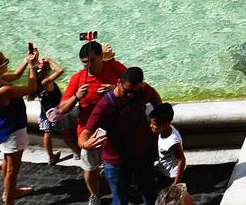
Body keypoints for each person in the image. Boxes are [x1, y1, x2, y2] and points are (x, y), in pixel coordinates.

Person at [60, 40, 130, 205]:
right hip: (89, 132)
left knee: (120, 163)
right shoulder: (77, 78)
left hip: (115, 128)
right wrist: (76, 96)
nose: (89, 65)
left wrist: (115, 89)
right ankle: (94, 195)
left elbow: (134, 88)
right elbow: (62, 109)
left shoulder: (115, 67)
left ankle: (123, 190)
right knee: (90, 167)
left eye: (92, 60)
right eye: (85, 62)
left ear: (101, 57)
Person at [78, 67, 161, 205]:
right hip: (116, 162)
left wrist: (159, 116)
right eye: (126, 91)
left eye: (133, 92)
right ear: (118, 83)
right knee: (120, 200)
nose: (129, 95)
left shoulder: (142, 90)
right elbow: (85, 133)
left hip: (142, 156)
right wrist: (85, 145)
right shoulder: (104, 106)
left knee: (150, 195)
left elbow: (154, 97)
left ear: (140, 85)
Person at [0, 49, 40, 205]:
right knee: (13, 170)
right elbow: (32, 88)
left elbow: (17, 75)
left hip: (0, 129)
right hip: (12, 131)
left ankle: (9, 193)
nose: (8, 64)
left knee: (7, 160)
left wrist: (27, 60)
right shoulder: (4, 90)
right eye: (6, 62)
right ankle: (9, 201)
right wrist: (33, 67)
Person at [35, 58, 78, 165]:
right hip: (57, 112)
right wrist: (50, 60)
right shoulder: (46, 81)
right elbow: (60, 71)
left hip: (45, 114)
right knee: (65, 133)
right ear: (46, 70)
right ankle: (76, 152)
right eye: (49, 68)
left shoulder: (36, 82)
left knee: (47, 133)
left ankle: (51, 157)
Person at [150, 103, 186, 189]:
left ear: (166, 124)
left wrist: (176, 183)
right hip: (164, 171)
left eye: (154, 124)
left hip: (171, 176)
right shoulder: (163, 131)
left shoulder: (173, 141)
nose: (151, 126)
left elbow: (182, 159)